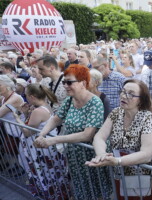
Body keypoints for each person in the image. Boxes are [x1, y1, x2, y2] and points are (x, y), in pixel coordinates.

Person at [33, 64, 111, 200]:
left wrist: (54, 139)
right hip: (75, 154)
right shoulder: (70, 100)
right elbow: (56, 119)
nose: (65, 85)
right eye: (64, 82)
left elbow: (87, 134)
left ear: (83, 83)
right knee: (81, 186)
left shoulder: (95, 102)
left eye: (69, 82)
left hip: (92, 154)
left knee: (96, 189)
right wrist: (42, 134)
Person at [85, 79, 152, 200]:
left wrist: (117, 161)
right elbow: (99, 137)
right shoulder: (116, 113)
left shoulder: (147, 118)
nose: (124, 96)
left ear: (141, 100)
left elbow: (146, 154)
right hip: (120, 173)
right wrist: (102, 155)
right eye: (123, 91)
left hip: (140, 176)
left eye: (131, 94)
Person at [12, 84, 68, 199]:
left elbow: (28, 132)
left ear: (32, 97)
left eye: (26, 95)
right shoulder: (43, 106)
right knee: (52, 175)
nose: (25, 98)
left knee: (46, 175)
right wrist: (26, 113)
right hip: (41, 149)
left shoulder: (38, 110)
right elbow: (33, 125)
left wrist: (17, 118)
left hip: (41, 151)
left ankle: (51, 196)